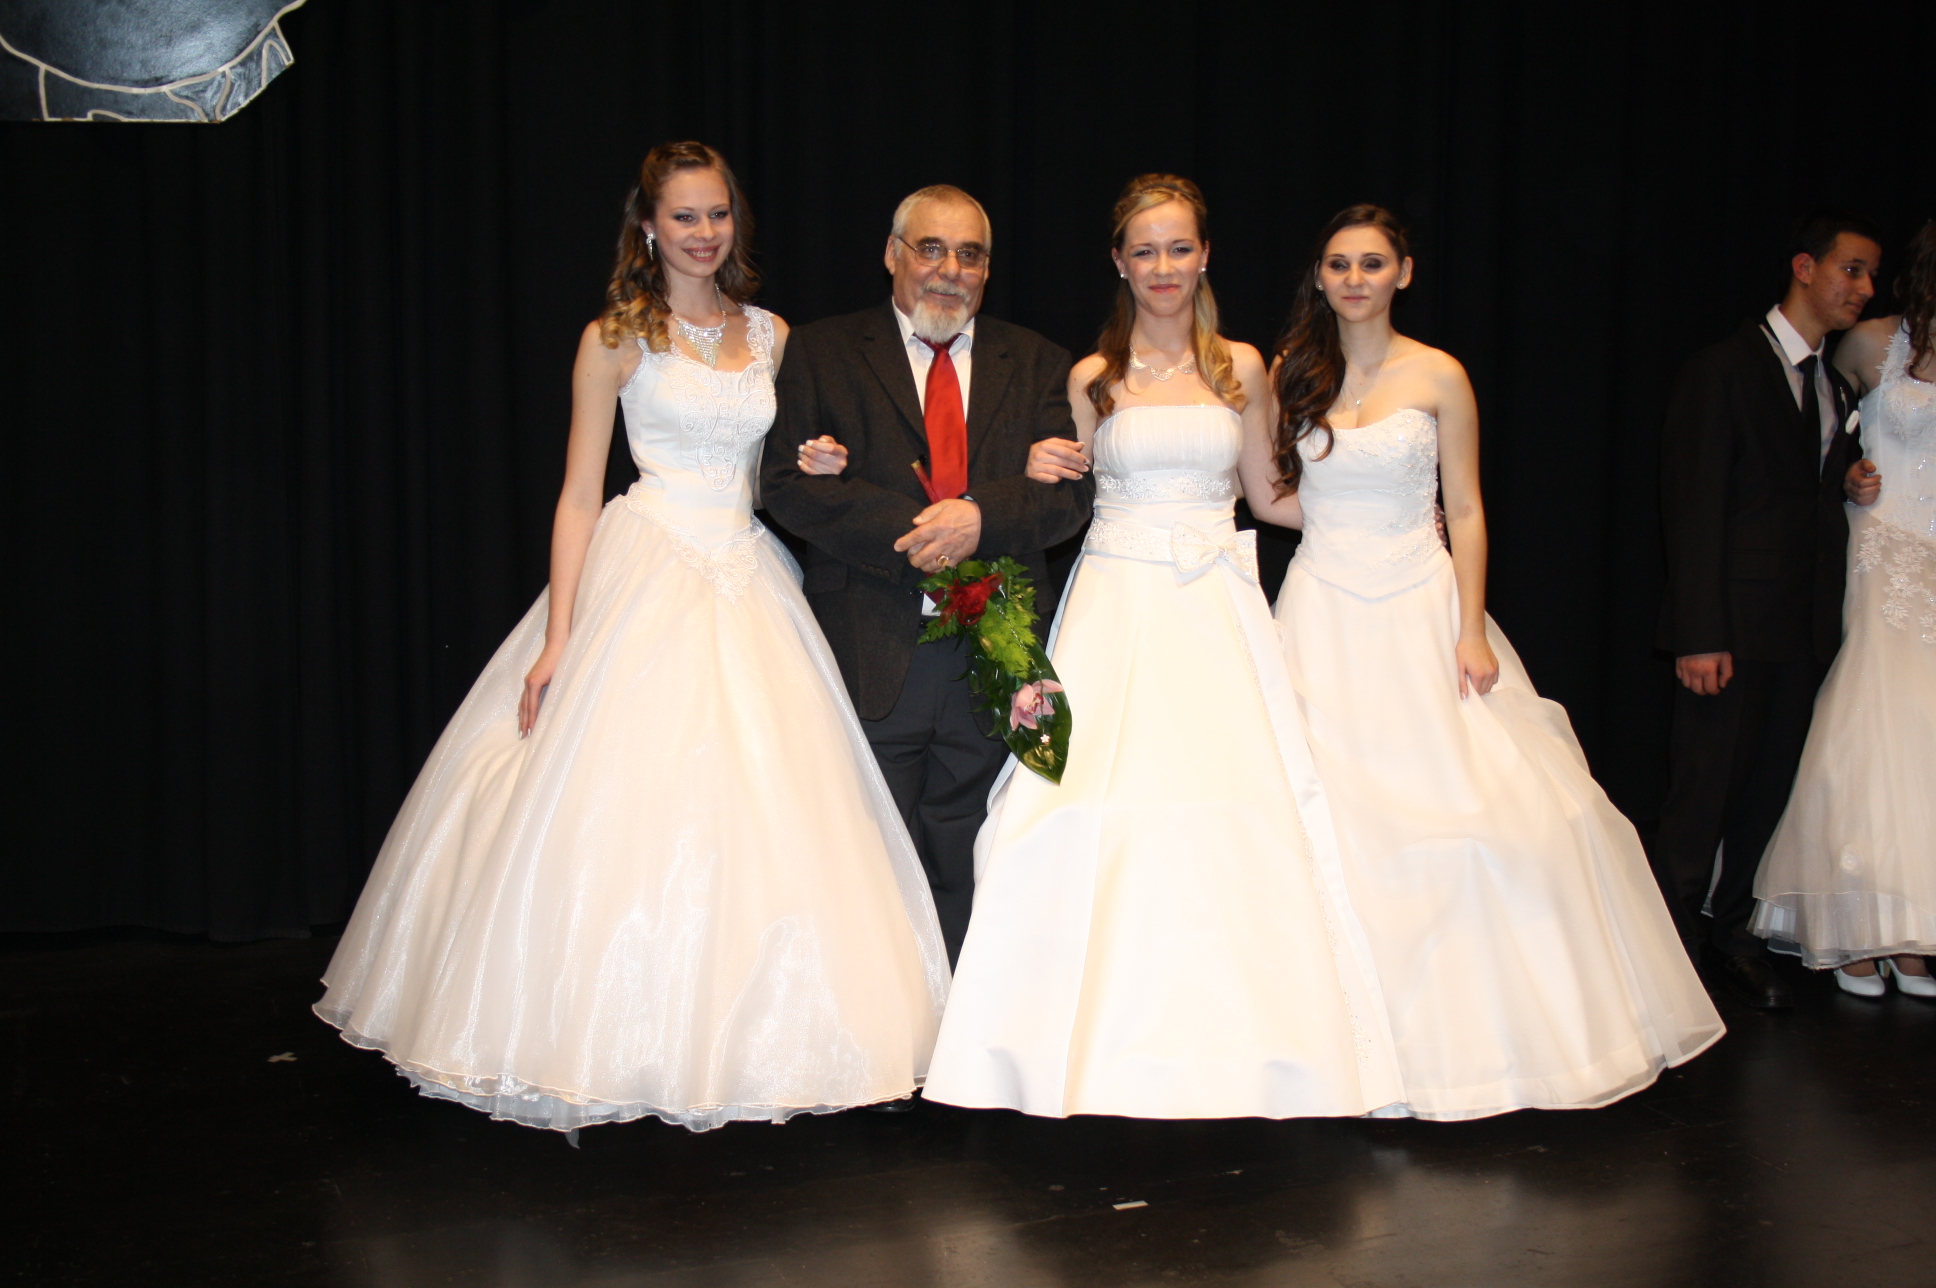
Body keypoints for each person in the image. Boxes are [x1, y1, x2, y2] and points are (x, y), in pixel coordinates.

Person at [314, 143, 950, 1133]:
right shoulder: (614, 338)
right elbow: (577, 495)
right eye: (685, 217)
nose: (705, 234)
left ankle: (756, 1036)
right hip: (647, 562)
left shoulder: (772, 334)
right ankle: (599, 1036)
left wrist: (818, 460)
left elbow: (778, 471)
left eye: (718, 215)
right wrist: (559, 636)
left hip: (746, 571)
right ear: (648, 226)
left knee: (769, 810)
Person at [914, 175, 1403, 1120]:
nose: (1164, 267)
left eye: (1180, 248)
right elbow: (1066, 496)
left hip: (1214, 607)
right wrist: (1039, 466)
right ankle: (1067, 1048)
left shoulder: (1242, 368)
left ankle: (1251, 1045)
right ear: (1120, 262)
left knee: (1236, 812)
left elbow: (1272, 498)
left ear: (1205, 256)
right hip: (1117, 604)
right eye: (1145, 250)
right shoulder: (1091, 378)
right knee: (1082, 807)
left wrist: (1384, 525)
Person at [1270, 204, 1722, 1120]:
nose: (1354, 279)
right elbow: (1280, 498)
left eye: (1372, 263)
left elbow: (1468, 508)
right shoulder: (1292, 372)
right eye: (1338, 264)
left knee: (1470, 811)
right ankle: (1335, 1048)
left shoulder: (1439, 373)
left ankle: (1479, 1044)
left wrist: (1470, 627)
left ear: (1404, 272)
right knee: (1322, 814)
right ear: (1318, 275)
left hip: (1421, 605)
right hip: (1321, 607)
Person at [760, 185, 1094, 965]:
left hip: (992, 653)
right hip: (869, 645)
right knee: (864, 862)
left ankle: (958, 1026)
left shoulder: (1039, 362)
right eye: (931, 249)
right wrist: (920, 532)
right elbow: (785, 486)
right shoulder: (821, 352)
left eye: (970, 255)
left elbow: (1070, 499)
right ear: (892, 254)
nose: (950, 270)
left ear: (988, 269)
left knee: (970, 860)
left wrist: (977, 518)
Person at [1655, 212, 1884, 1009]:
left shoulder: (1835, 385)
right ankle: (1668, 950)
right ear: (1804, 268)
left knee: (1768, 797)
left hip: (1805, 627)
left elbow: (1802, 488)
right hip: (1729, 628)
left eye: (1870, 275)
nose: (1864, 288)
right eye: (1852, 270)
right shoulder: (1723, 369)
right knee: (1703, 796)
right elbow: (1693, 508)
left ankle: (1734, 936)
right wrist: (1700, 633)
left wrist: (1848, 479)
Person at [1752, 219, 1936, 998]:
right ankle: (1855, 923)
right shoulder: (1872, 343)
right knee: (1873, 720)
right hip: (1881, 551)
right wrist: (1852, 473)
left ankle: (1909, 927)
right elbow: (1818, 439)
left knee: (1924, 739)